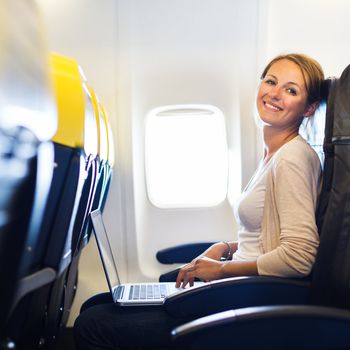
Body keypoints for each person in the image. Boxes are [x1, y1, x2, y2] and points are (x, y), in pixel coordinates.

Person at [74, 53, 325, 349]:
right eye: (271, 81)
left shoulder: (292, 158)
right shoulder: (273, 155)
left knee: (92, 325)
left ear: (308, 108)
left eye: (291, 90)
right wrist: (226, 248)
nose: (274, 93)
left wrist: (220, 270)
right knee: (98, 304)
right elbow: (265, 235)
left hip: (250, 300)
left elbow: (299, 256)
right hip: (240, 288)